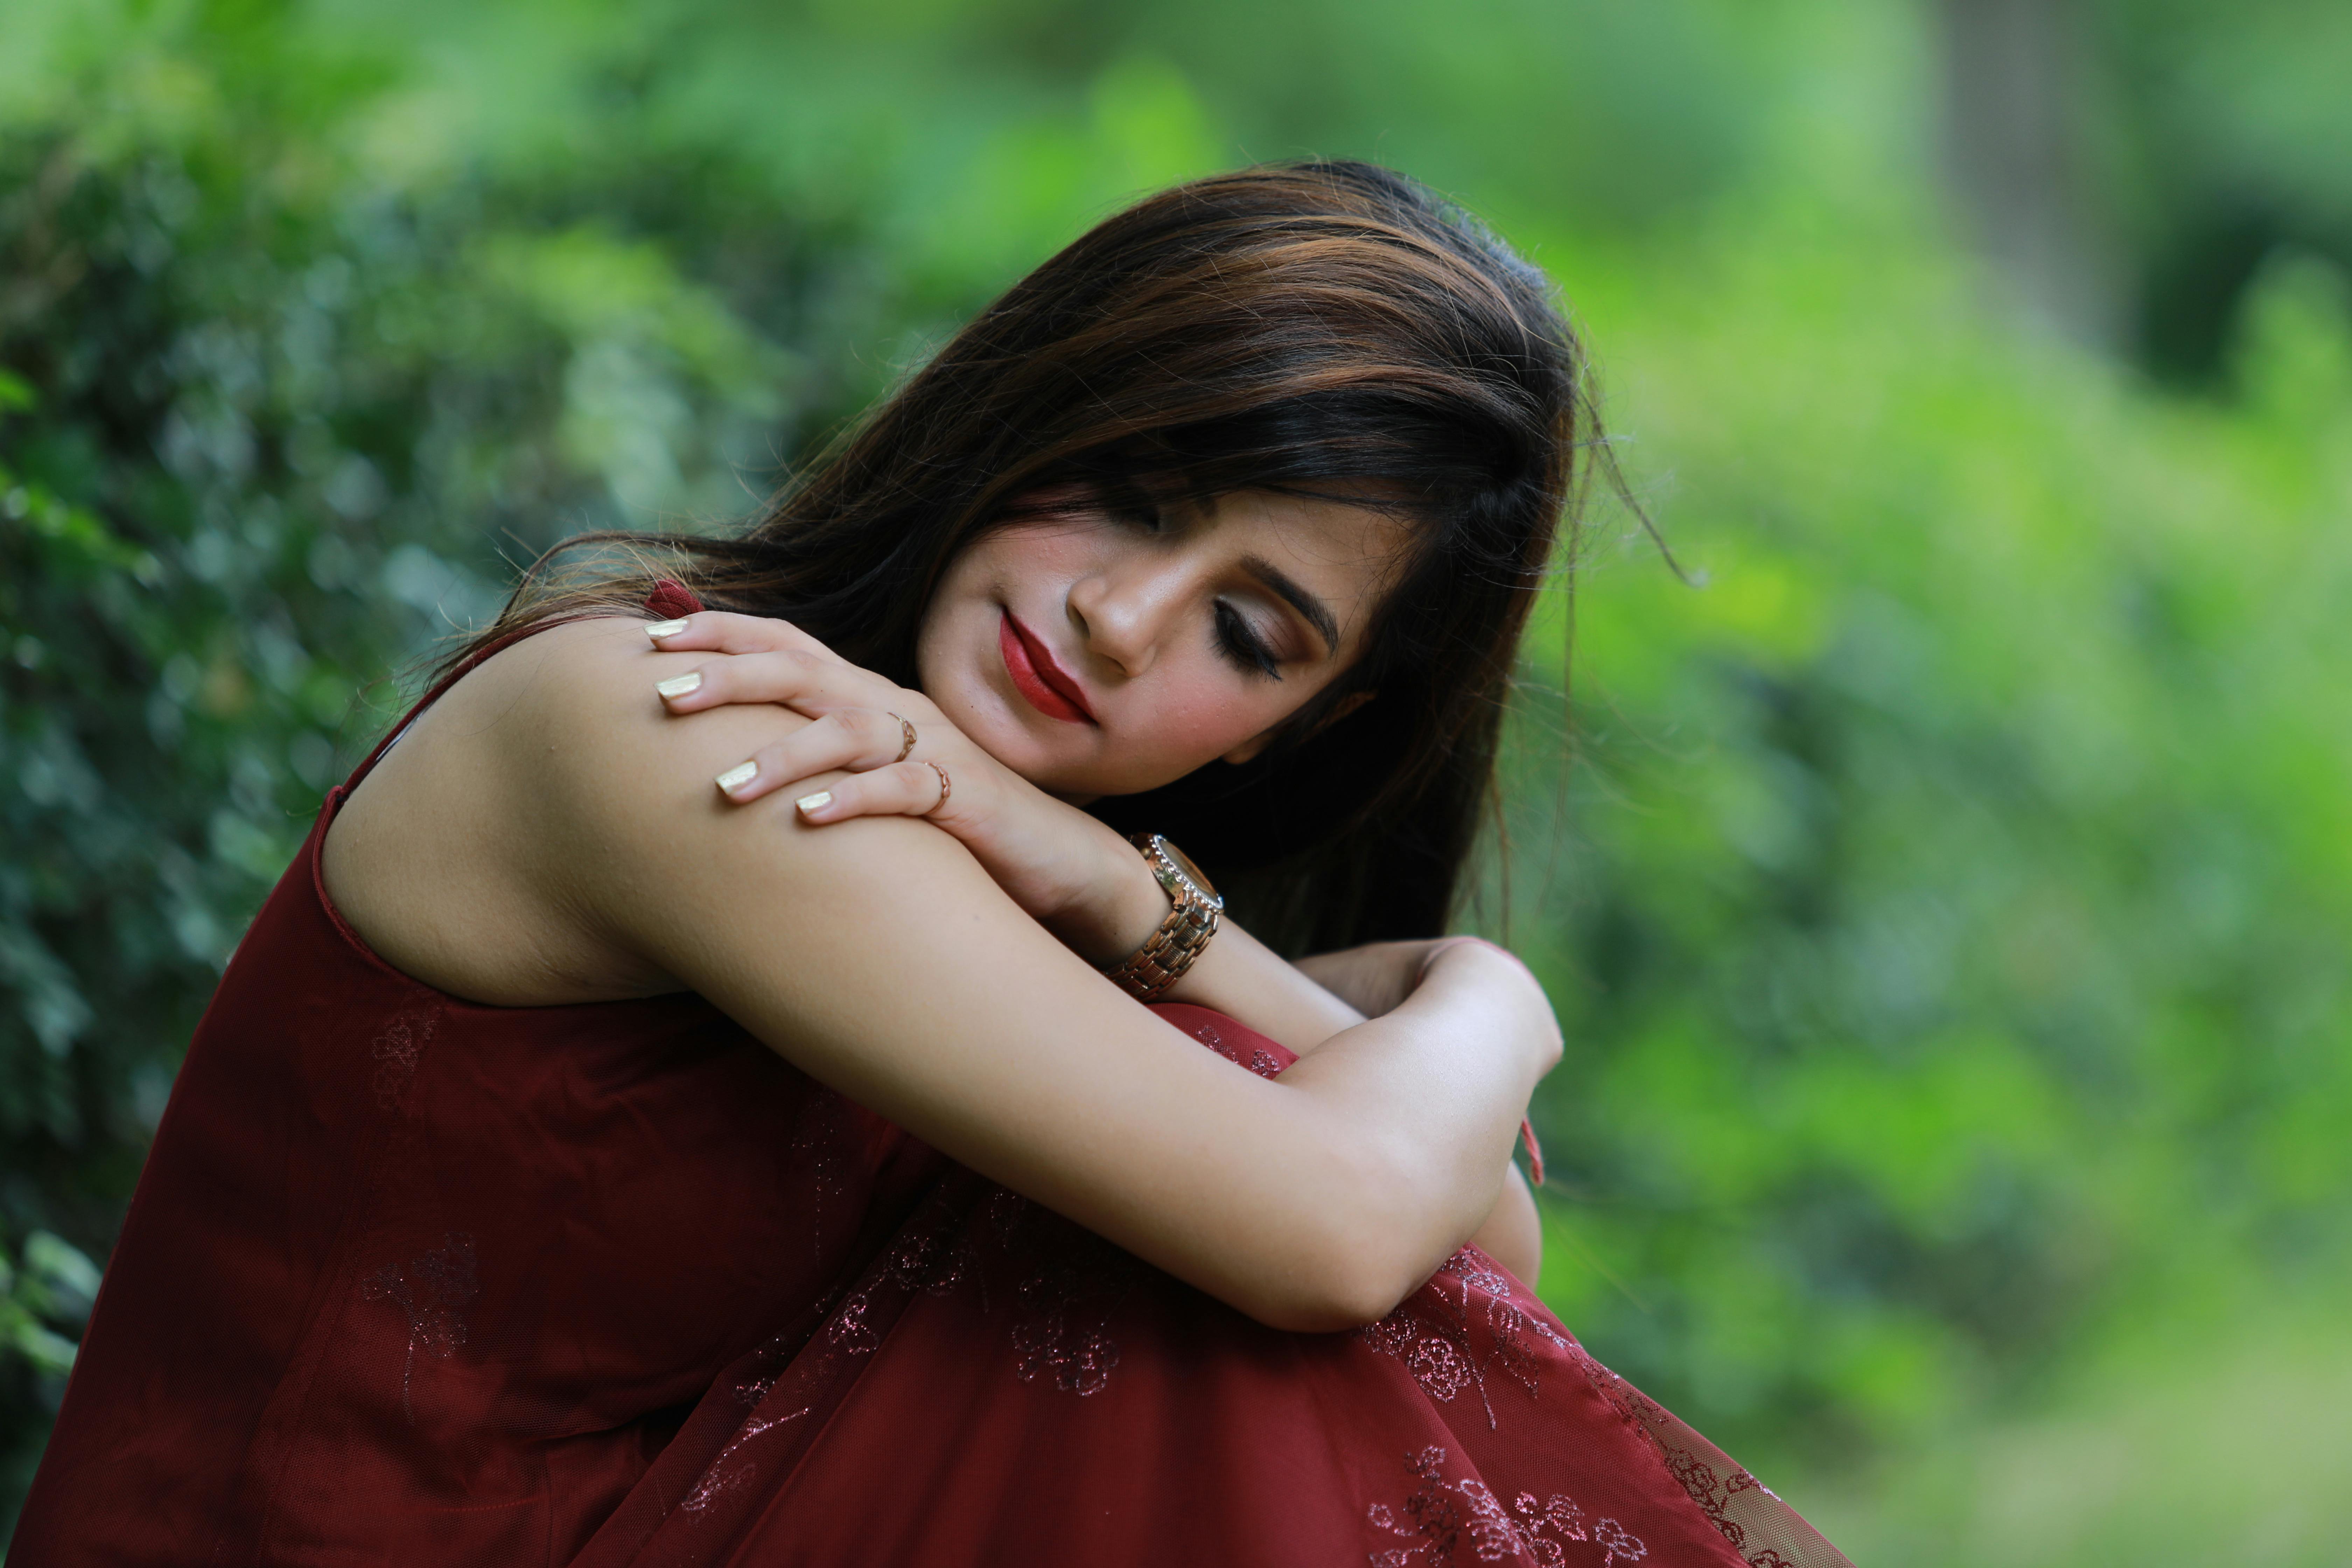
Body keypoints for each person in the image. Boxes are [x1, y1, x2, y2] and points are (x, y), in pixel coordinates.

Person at [10, 162, 1848, 1566]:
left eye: (1254, 632)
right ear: (1036, 400)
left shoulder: (996, 853)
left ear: (1290, 725)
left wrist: (1121, 891)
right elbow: (1346, 1224)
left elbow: (1478, 1244)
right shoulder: (681, 725)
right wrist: (1498, 1000)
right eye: (1132, 492)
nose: (1124, 622)